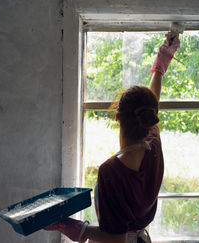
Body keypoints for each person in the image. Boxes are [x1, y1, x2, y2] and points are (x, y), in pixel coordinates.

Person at [45, 31, 180, 243]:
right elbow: (152, 101)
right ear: (150, 119)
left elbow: (115, 239)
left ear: (117, 118)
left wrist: (74, 228)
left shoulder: (111, 172)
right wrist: (161, 66)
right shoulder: (154, 146)